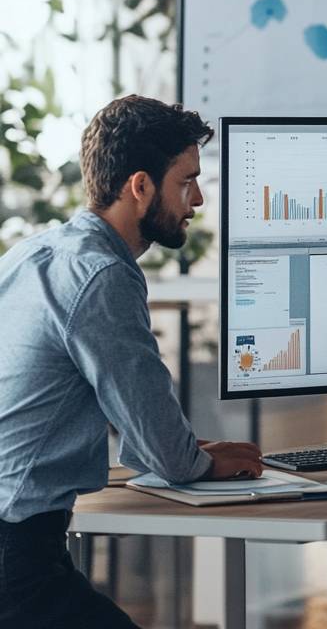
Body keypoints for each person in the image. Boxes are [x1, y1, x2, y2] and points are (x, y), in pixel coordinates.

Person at [0, 95, 263, 629]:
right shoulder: (102, 275)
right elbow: (162, 450)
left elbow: (145, 434)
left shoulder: (35, 253)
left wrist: (185, 451)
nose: (198, 199)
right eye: (186, 181)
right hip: (15, 556)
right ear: (140, 186)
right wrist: (194, 460)